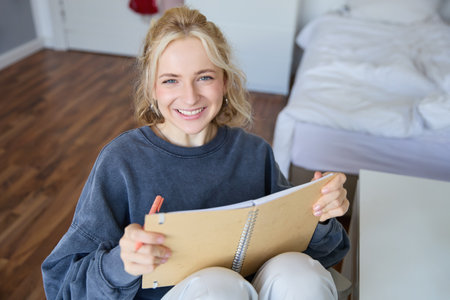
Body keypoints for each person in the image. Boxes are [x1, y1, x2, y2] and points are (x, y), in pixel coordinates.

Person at [42, 6, 350, 300]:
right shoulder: (122, 162)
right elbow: (62, 286)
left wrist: (320, 218)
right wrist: (121, 264)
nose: (190, 97)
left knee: (301, 274)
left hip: (251, 288)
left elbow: (327, 254)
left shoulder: (254, 153)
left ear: (225, 82)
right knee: (218, 286)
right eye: (171, 80)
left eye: (204, 77)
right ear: (152, 88)